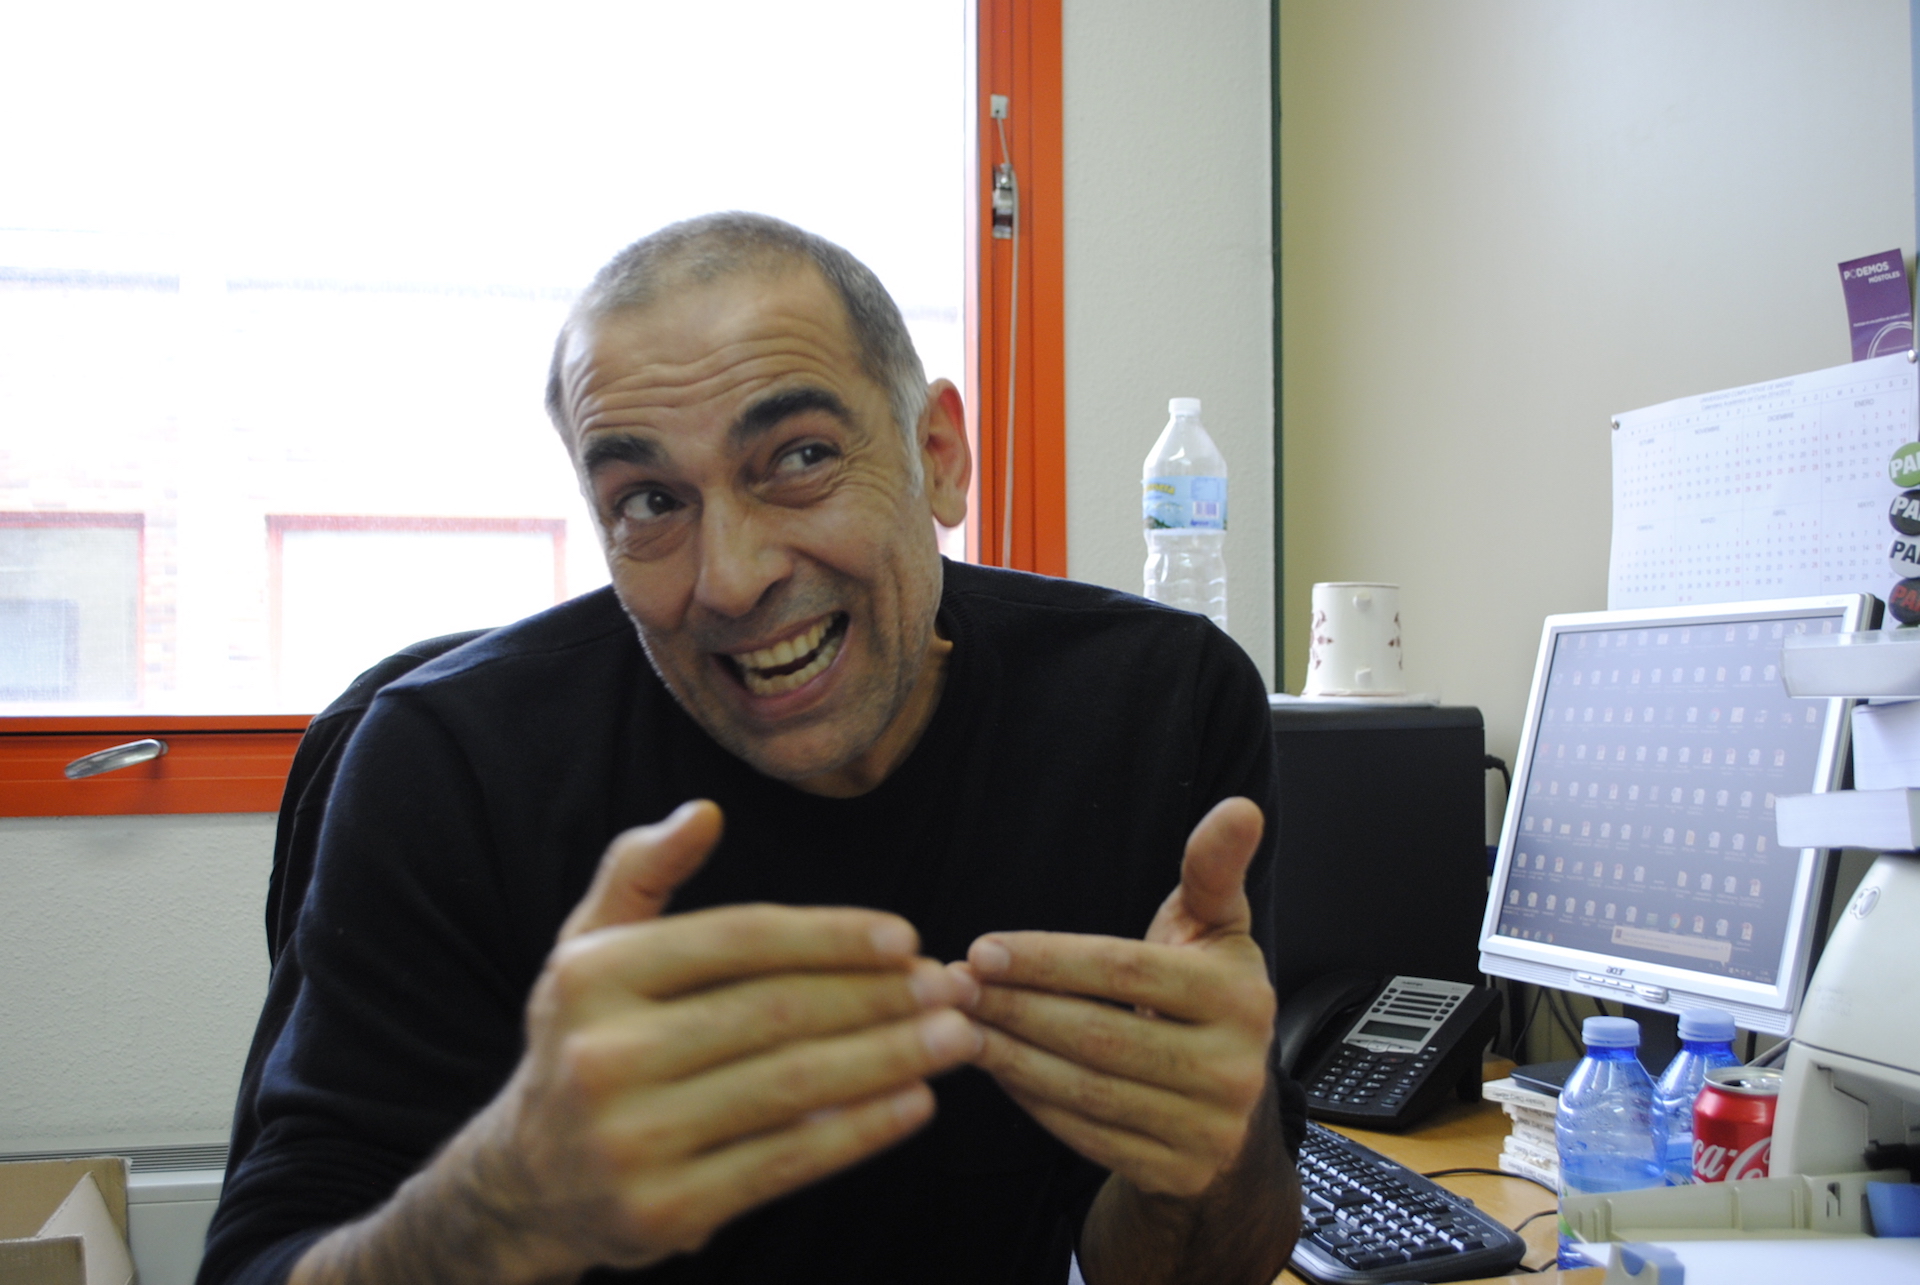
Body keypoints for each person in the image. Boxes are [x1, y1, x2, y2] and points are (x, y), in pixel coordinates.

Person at [201, 213, 1303, 1285]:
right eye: (649, 502)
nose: (729, 579)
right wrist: (501, 1207)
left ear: (938, 456)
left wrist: (1211, 1150)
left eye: (800, 457)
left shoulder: (1155, 710)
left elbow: (1184, 1259)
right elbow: (261, 1255)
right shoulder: (450, 767)